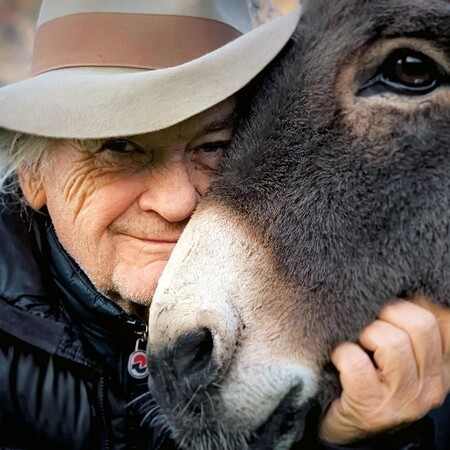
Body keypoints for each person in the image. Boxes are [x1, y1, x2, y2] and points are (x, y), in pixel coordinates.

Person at [0, 1, 448, 449]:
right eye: (118, 147)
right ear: (33, 176)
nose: (177, 202)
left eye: (214, 146)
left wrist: (360, 439)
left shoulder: (326, 324)